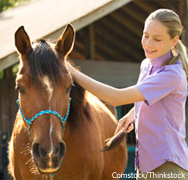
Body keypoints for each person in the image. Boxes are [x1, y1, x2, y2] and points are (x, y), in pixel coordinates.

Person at [66, 9, 188, 180]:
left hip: (167, 166)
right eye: (146, 35)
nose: (148, 43)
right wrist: (133, 114)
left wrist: (72, 71)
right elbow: (149, 97)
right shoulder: (147, 65)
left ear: (174, 41)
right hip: (145, 164)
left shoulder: (172, 75)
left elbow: (116, 97)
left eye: (157, 39)